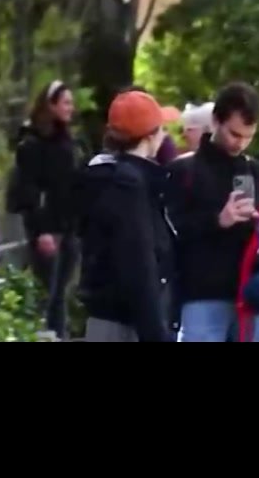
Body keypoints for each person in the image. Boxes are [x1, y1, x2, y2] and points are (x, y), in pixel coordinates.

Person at [168, 82, 259, 342]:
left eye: (249, 136)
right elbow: (171, 231)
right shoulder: (185, 171)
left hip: (256, 294)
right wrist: (217, 221)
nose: (241, 143)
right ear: (215, 122)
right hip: (203, 293)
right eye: (234, 134)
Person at [75, 89, 177, 342]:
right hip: (128, 325)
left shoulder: (104, 176)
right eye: (161, 129)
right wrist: (156, 333)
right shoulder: (128, 186)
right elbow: (139, 263)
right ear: (150, 137)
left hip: (106, 317)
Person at [6, 79, 82, 340]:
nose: (71, 108)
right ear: (50, 105)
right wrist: (41, 231)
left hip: (69, 228)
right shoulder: (32, 144)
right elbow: (28, 191)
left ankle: (57, 336)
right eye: (66, 103)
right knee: (46, 295)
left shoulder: (67, 142)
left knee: (59, 295)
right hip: (47, 231)